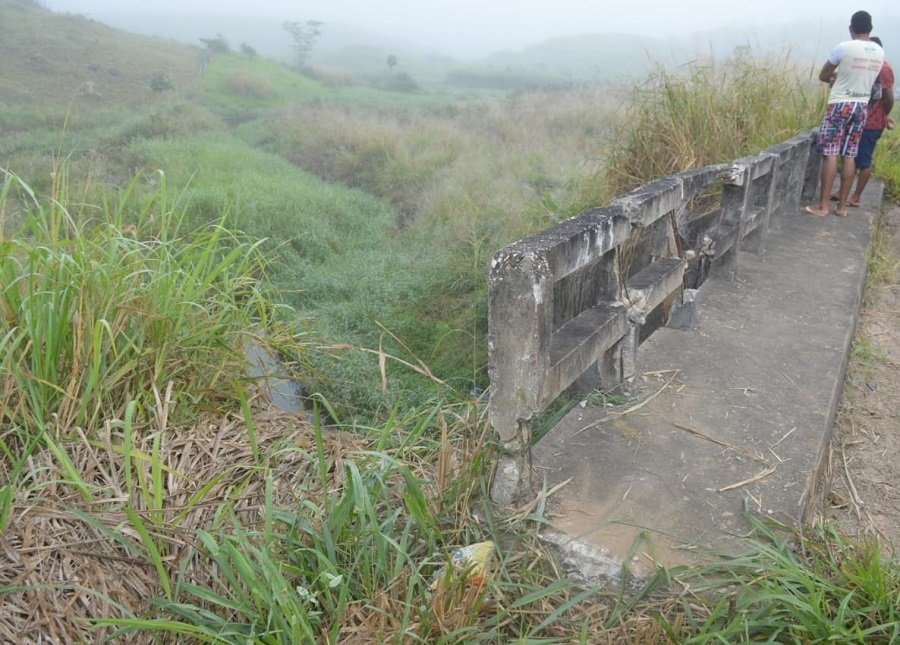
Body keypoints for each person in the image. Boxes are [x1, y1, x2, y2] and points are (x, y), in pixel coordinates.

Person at [804, 10, 884, 217]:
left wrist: (835, 77)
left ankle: (823, 206)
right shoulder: (879, 52)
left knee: (830, 153)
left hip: (840, 104)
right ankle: (841, 208)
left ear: (851, 28)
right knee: (850, 154)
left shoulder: (844, 48)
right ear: (870, 29)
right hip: (862, 106)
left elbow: (824, 75)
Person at [840, 36, 894, 207]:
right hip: (860, 118)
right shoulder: (871, 67)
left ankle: (856, 196)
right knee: (850, 156)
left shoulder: (883, 69)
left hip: (872, 123)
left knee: (864, 160)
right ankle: (843, 193)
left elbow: (888, 97)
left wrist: (883, 115)